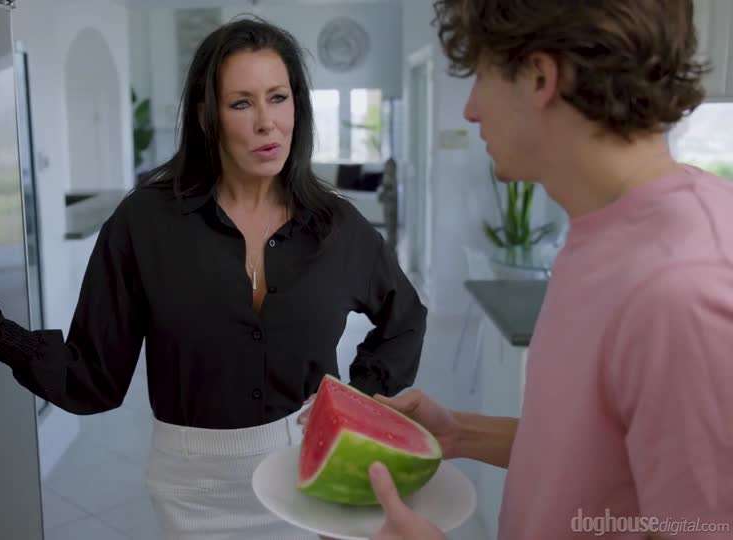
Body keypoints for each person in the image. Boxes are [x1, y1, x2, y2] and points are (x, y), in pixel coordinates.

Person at [0, 17, 427, 540]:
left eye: (278, 98)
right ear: (206, 115)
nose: (267, 123)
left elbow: (404, 319)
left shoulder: (338, 227)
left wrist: (356, 401)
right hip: (195, 491)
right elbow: (93, 379)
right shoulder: (144, 224)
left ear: (297, 106)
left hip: (310, 472)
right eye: (241, 103)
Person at [305, 0, 733, 538]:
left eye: (481, 76)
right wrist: (462, 433)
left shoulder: (687, 288)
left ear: (539, 78)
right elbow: (599, 454)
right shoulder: (602, 229)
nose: (470, 110)